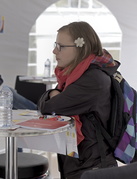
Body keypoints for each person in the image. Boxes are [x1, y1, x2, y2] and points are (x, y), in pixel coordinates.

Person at [37, 21, 118, 179]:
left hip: (92, 167)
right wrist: (54, 92)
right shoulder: (74, 75)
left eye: (60, 46)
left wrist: (54, 94)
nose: (54, 51)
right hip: (80, 162)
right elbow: (47, 103)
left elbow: (48, 107)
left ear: (80, 47)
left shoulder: (93, 79)